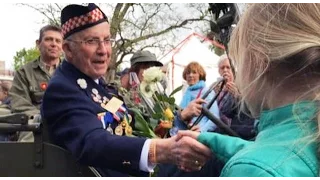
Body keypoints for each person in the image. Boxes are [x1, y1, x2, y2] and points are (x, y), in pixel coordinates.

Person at [41, 3, 212, 177]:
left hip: (136, 168)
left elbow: (130, 125)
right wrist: (160, 150)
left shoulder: (98, 85)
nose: (103, 50)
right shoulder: (62, 89)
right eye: (91, 41)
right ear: (68, 49)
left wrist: (178, 136)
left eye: (107, 40)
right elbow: (93, 142)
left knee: (212, 153)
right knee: (212, 163)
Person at [178, 3, 320, 177]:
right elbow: (276, 150)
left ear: (259, 61)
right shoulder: (309, 128)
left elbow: (263, 164)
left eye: (239, 59)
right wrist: (208, 140)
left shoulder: (252, 170)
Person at [157, 62, 224, 177]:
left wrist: (200, 132)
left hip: (199, 137)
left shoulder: (206, 92)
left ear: (200, 75)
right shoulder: (187, 92)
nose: (190, 75)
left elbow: (214, 118)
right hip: (184, 133)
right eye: (188, 73)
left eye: (194, 72)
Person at [9, 24, 63, 142]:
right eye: (49, 39)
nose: (54, 44)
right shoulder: (24, 72)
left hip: (65, 120)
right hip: (34, 122)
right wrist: (44, 118)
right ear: (38, 44)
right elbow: (19, 104)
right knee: (29, 135)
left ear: (62, 46)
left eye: (58, 41)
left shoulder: (71, 72)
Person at [215, 54, 256, 140]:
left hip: (240, 130)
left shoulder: (243, 84)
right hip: (221, 127)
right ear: (219, 71)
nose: (225, 70)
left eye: (228, 67)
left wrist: (237, 96)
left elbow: (252, 109)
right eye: (222, 68)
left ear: (234, 69)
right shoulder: (215, 88)